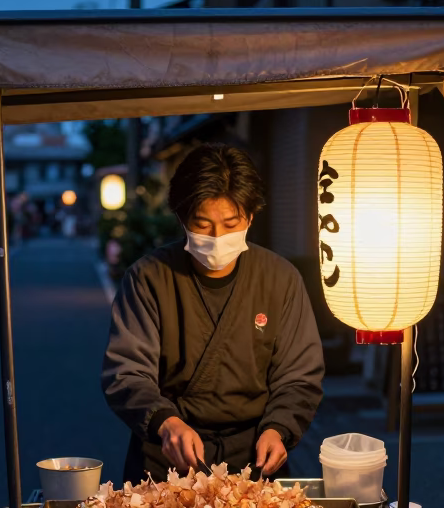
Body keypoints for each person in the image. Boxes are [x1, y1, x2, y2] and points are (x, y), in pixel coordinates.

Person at [101, 143, 324, 482]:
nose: (218, 237)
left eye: (231, 222)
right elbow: (126, 372)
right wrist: (166, 421)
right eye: (202, 224)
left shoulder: (279, 279)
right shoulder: (149, 278)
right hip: (168, 458)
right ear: (181, 219)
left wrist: (280, 428)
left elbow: (299, 375)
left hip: (255, 458)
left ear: (250, 216)